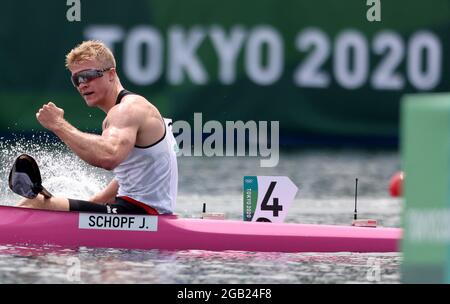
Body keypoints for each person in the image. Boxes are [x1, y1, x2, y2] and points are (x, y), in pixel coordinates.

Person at [17, 40, 178, 215]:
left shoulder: (126, 110)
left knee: (34, 204)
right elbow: (136, 170)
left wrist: (58, 125)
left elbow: (108, 157)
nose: (82, 84)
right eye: (76, 79)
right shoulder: (130, 110)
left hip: (140, 213)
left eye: (88, 75)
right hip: (141, 211)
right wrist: (93, 203)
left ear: (111, 74)